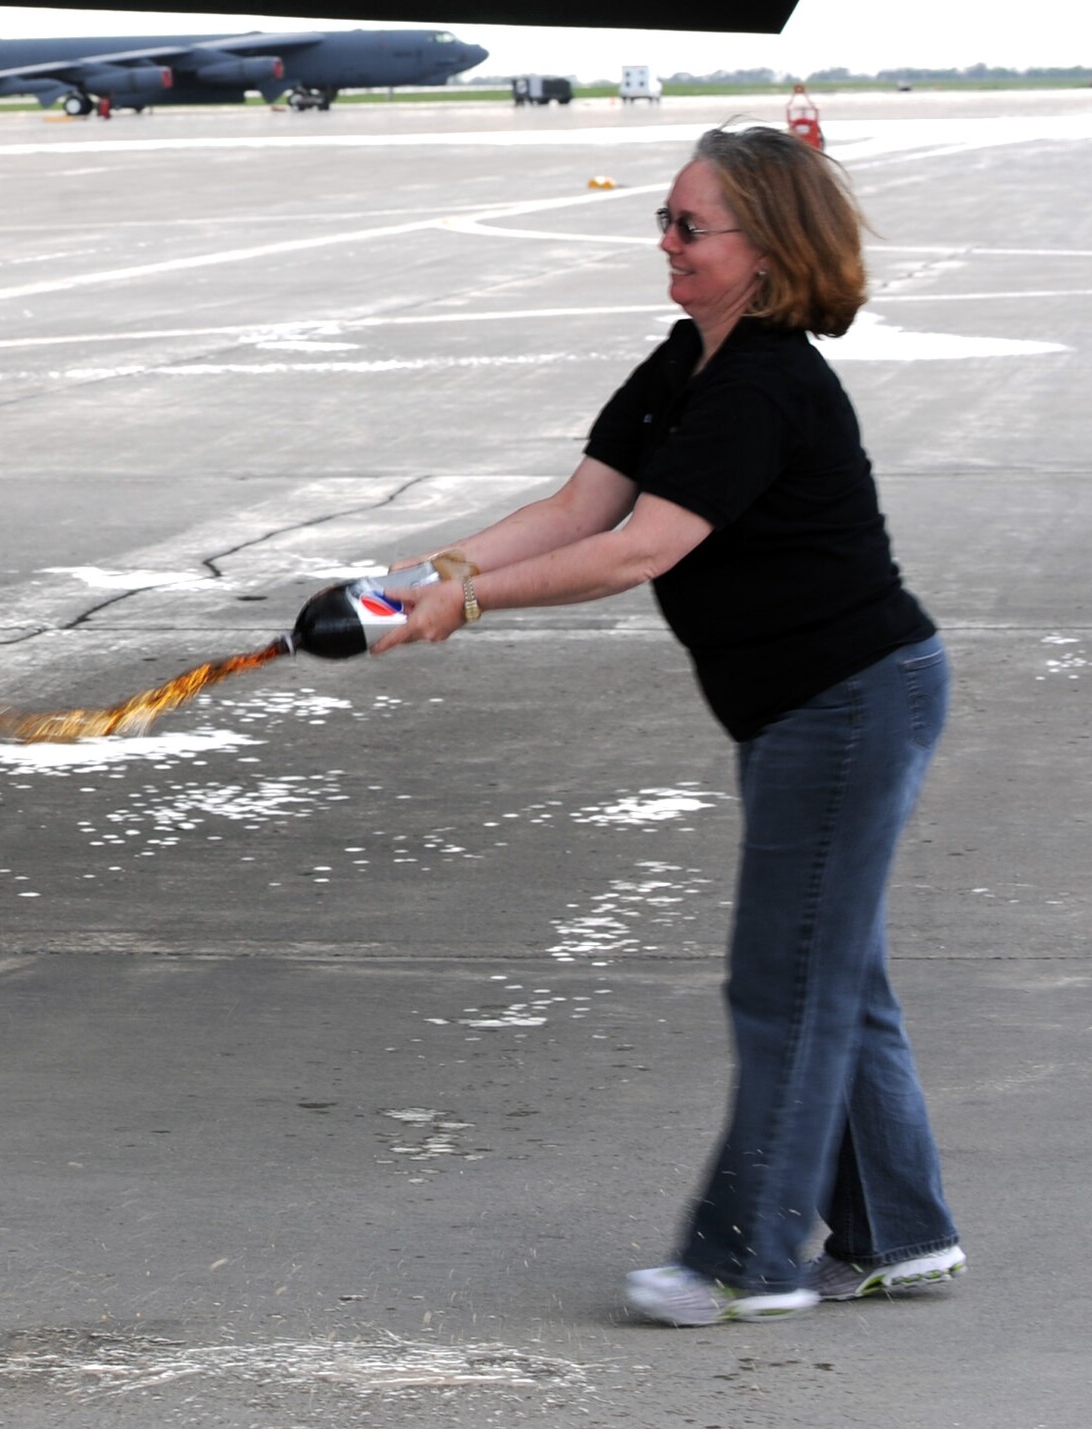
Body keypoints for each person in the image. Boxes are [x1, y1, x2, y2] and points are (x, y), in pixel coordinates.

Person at [375, 124, 964, 1326]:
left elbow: (639, 547)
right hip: (811, 705)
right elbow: (581, 501)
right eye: (664, 219)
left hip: (845, 700)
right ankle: (896, 1233)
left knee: (783, 984)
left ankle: (743, 1258)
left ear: (766, 249)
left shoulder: (764, 383)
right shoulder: (688, 356)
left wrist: (468, 600)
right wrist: (426, 567)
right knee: (830, 974)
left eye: (688, 227)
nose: (664, 242)